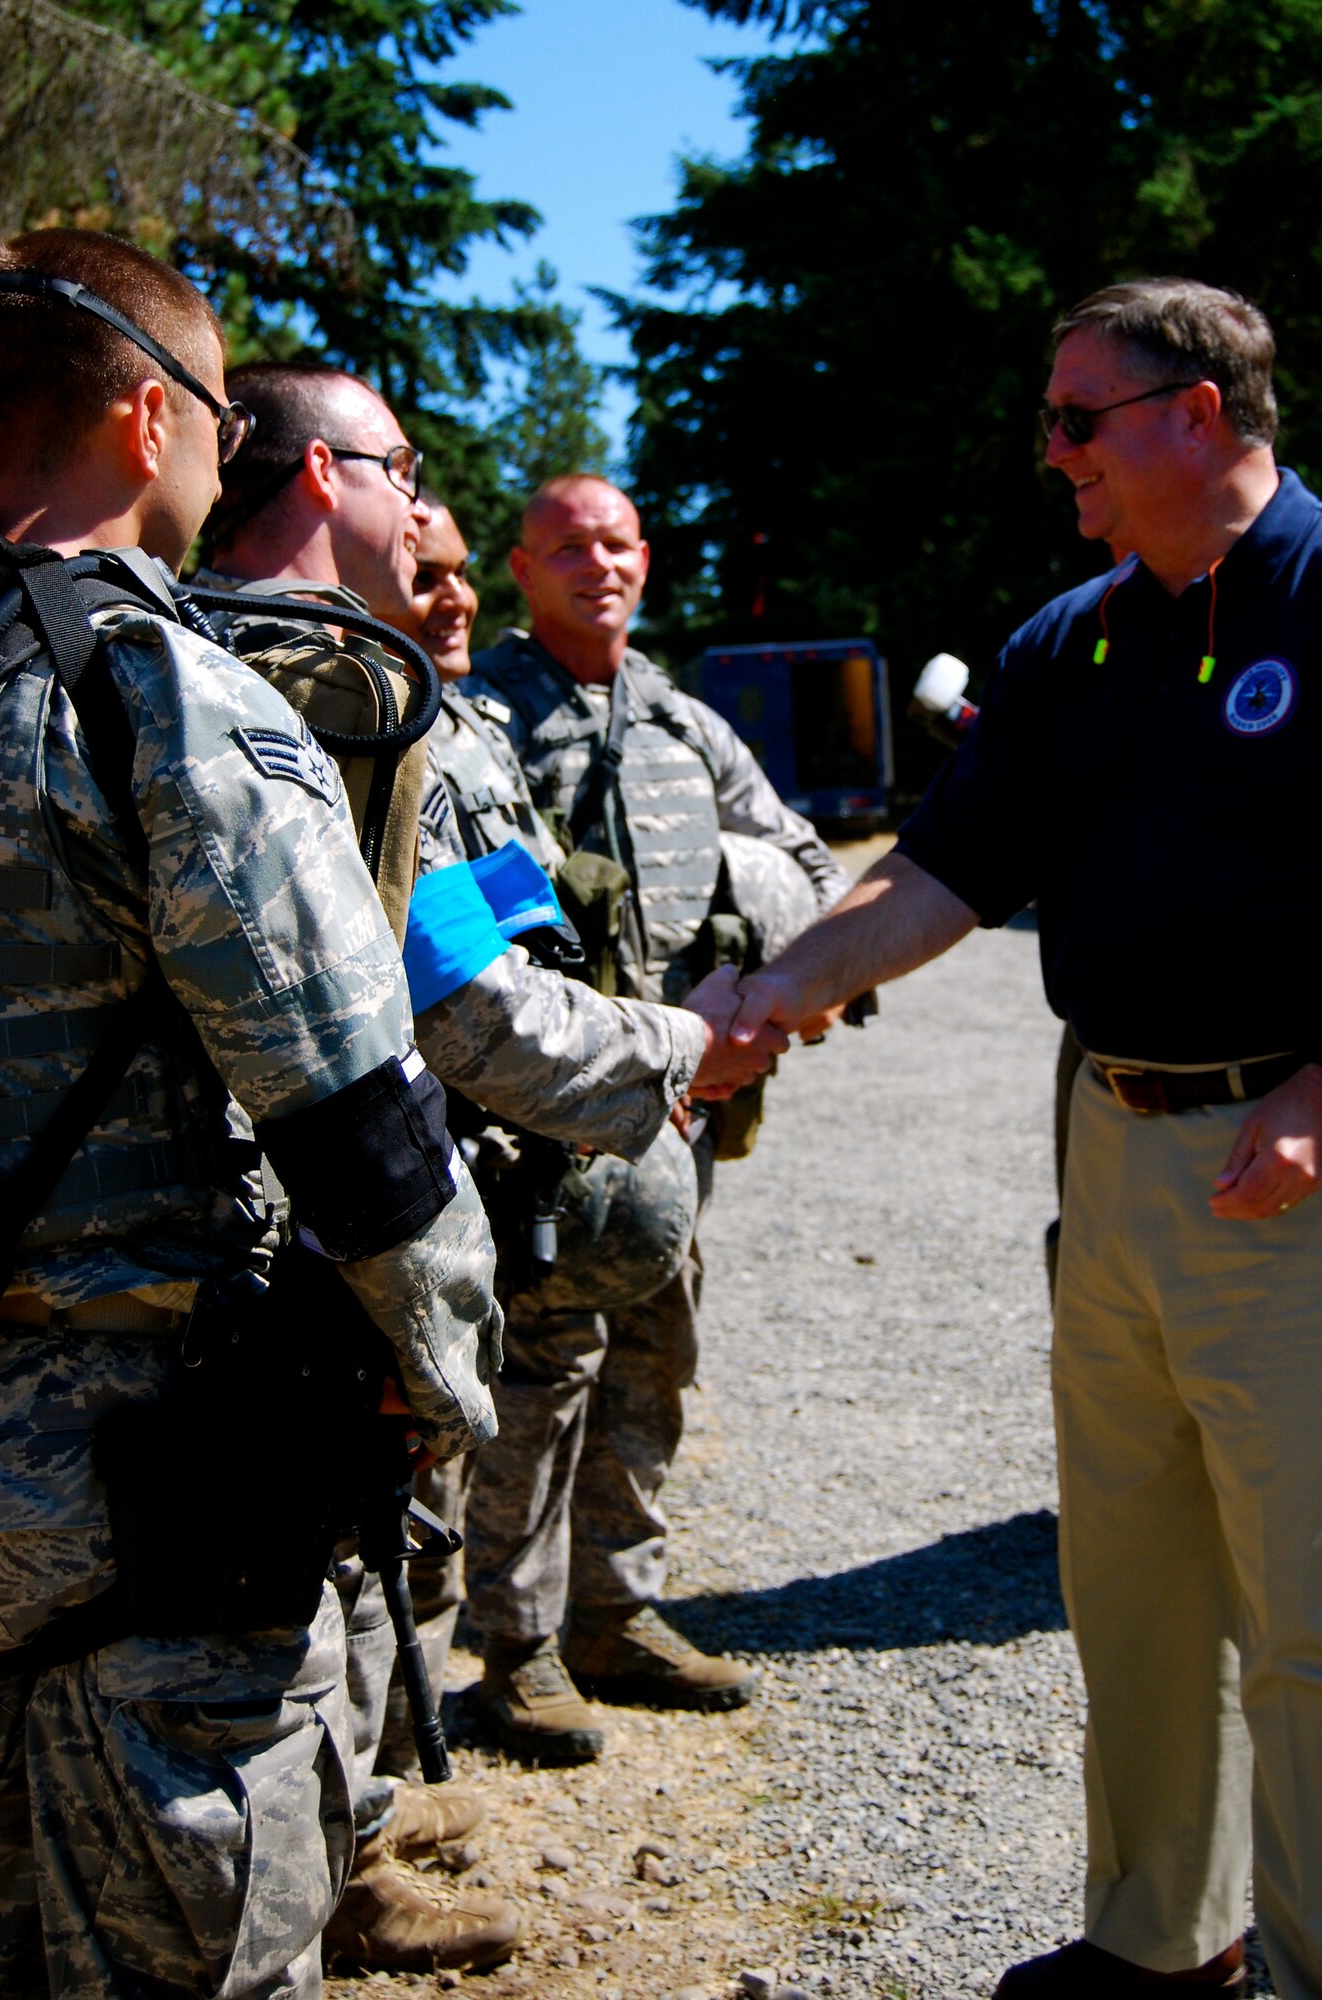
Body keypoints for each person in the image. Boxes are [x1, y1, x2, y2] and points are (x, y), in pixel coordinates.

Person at [727, 279, 1322, 2000]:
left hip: (1315, 1143)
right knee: (1136, 1592)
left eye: (1076, 417)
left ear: (1196, 413)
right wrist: (771, 993)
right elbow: (937, 877)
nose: (1048, 451)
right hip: (1118, 1147)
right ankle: (1162, 1945)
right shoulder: (1066, 641)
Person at [0, 228, 510, 1994]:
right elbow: (361, 1129)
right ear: (147, 420)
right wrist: (447, 1384)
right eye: (215, 414)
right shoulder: (160, 695)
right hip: (147, 1504)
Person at [200, 380, 782, 1808]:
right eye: (404, 475)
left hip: (246, 1221)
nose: (420, 518)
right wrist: (678, 1049)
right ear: (327, 476)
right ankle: (353, 1840)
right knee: (351, 1544)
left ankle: (365, 1833)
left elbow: (514, 938)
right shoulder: (339, 697)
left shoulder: (145, 654)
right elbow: (462, 995)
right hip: (309, 1230)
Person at [462, 475, 850, 1759]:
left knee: (654, 1357)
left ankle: (614, 1613)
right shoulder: (480, 721)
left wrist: (752, 992)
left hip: (684, 1113)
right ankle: (511, 1647)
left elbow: (806, 868)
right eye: (567, 545)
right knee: (539, 1375)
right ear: (521, 566)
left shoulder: (686, 724)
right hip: (540, 1117)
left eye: (616, 543)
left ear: (646, 559)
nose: (597, 564)